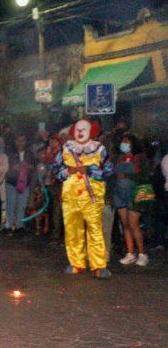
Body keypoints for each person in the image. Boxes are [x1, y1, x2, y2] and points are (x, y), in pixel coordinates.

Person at [54, 119, 113, 278]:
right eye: (78, 129)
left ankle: (99, 265)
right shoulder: (66, 149)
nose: (80, 132)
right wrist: (68, 171)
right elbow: (56, 171)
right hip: (71, 196)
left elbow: (108, 170)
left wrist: (89, 170)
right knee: (72, 230)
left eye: (84, 129)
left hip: (92, 195)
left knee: (95, 229)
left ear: (91, 131)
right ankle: (76, 263)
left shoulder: (99, 149)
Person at [114, 133, 151, 267]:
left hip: (135, 193)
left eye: (127, 141)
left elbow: (146, 176)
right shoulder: (119, 158)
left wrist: (128, 175)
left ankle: (142, 253)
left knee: (133, 224)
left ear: (133, 144)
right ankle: (130, 253)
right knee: (125, 225)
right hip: (120, 194)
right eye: (123, 140)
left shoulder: (140, 158)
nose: (124, 143)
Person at [4, 133, 35, 232]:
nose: (20, 143)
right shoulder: (9, 152)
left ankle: (19, 226)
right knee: (11, 204)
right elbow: (6, 165)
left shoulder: (30, 153)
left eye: (23, 140)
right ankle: (9, 226)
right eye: (18, 140)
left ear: (26, 142)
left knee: (22, 205)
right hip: (12, 182)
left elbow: (34, 166)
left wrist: (28, 167)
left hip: (25, 183)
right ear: (15, 141)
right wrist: (13, 167)